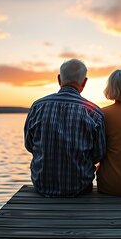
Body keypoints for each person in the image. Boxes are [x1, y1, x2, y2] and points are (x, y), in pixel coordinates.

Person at [24, 59, 106, 197]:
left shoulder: (37, 106)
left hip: (42, 185)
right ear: (84, 82)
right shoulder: (94, 112)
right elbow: (99, 154)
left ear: (59, 79)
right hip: (80, 187)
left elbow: (29, 145)